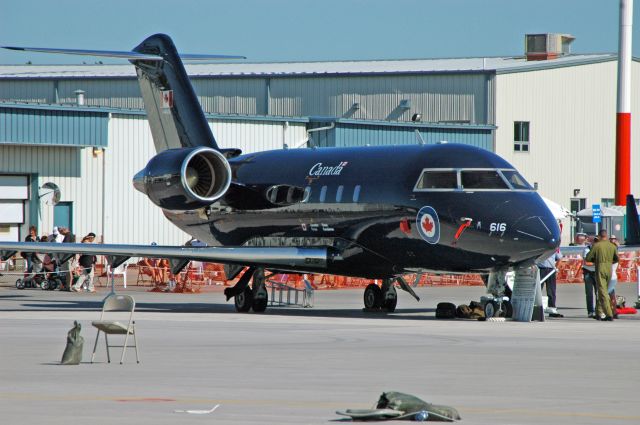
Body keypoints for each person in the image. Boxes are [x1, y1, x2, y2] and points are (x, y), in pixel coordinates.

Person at [585, 229, 619, 321]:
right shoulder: (612, 246)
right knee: (603, 291)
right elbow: (616, 258)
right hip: (609, 268)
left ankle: (609, 314)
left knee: (603, 291)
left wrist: (596, 260)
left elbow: (588, 258)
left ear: (599, 236)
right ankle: (598, 313)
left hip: (600, 267)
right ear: (606, 236)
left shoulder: (597, 245)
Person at [536, 249, 563, 317]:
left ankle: (552, 309)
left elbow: (559, 258)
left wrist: (556, 268)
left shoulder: (555, 248)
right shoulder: (539, 247)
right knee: (538, 290)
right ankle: (535, 309)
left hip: (551, 270)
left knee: (551, 291)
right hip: (540, 269)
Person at [581, 236, 597, 318]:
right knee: (589, 293)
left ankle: (598, 310)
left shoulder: (599, 249)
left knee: (598, 292)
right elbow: (586, 263)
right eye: (594, 241)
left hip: (597, 272)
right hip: (588, 272)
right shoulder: (587, 249)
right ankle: (590, 311)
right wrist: (597, 263)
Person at [608, 235, 620, 318]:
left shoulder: (614, 257)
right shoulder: (614, 255)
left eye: (613, 239)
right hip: (612, 277)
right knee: (612, 294)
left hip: (611, 277)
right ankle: (614, 311)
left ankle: (611, 311)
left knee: (606, 294)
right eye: (611, 239)